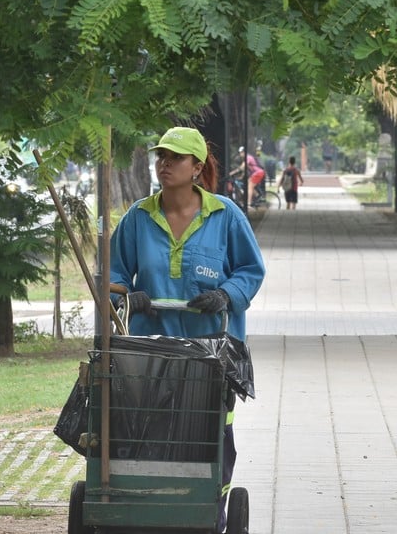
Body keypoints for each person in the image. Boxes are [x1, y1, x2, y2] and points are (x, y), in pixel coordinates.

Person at [110, 126, 266, 533]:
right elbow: (114, 275)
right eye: (160, 156)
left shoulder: (225, 216)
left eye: (175, 158)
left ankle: (209, 513)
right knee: (149, 430)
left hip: (211, 352)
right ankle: (151, 512)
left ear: (196, 168)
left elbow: (251, 270)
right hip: (151, 350)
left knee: (209, 431)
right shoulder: (138, 218)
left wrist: (226, 294)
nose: (164, 164)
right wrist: (127, 296)